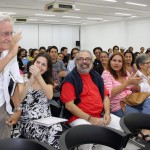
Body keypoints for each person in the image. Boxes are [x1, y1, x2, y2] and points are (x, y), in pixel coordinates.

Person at [60, 50, 121, 150]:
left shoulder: (95, 75)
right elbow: (69, 105)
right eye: (81, 59)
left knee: (119, 126)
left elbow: (105, 96)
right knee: (89, 135)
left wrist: (107, 113)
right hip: (79, 118)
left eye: (88, 59)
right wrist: (90, 119)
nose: (85, 62)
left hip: (99, 115)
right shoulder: (70, 79)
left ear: (92, 62)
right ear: (75, 62)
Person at [20, 53, 65, 149]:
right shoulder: (23, 78)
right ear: (33, 63)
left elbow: (49, 96)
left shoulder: (48, 81)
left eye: (43, 65)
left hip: (45, 119)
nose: (40, 66)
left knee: (57, 129)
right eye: (38, 62)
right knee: (43, 135)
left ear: (47, 69)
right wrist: (31, 78)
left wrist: (39, 77)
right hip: (28, 120)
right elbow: (19, 99)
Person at [0, 14, 23, 139]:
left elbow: (15, 82)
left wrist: (18, 109)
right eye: (5, 34)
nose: (9, 38)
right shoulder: (10, 53)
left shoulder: (9, 52)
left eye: (11, 33)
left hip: (2, 108)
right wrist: (9, 55)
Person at [102, 52, 141, 117]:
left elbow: (135, 90)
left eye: (119, 61)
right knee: (139, 115)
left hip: (131, 101)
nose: (116, 63)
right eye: (114, 60)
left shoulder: (126, 72)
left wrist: (136, 83)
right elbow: (109, 94)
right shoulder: (106, 73)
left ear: (122, 63)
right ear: (110, 62)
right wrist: (127, 83)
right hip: (118, 105)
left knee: (148, 102)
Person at [125, 54, 150, 143]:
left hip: (144, 102)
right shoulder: (136, 77)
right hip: (137, 103)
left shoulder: (148, 75)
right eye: (148, 63)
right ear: (141, 65)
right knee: (149, 100)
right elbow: (137, 89)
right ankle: (145, 129)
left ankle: (145, 130)